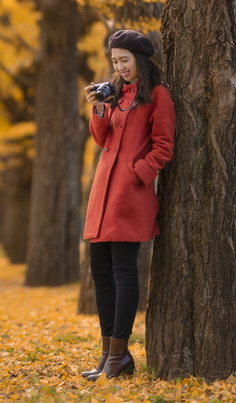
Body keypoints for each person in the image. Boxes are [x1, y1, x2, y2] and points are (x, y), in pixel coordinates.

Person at [82, 29, 175, 381]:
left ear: (140, 60)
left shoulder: (158, 95)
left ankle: (119, 356)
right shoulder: (116, 94)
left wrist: (139, 172)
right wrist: (99, 109)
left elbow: (163, 146)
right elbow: (101, 138)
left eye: (124, 60)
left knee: (123, 273)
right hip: (103, 194)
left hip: (130, 196)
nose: (119, 67)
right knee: (100, 275)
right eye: (115, 61)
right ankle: (107, 356)